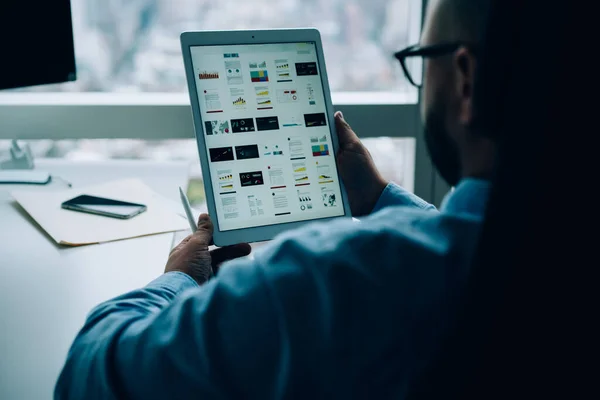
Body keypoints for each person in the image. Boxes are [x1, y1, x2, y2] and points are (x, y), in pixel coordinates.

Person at [55, 0, 495, 398]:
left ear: (466, 79)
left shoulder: (324, 284)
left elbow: (87, 375)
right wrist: (377, 196)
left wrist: (180, 281)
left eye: (419, 58)